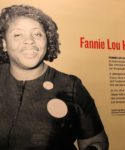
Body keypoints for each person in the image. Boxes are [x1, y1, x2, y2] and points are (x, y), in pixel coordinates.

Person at [0, 5, 109, 150]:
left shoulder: (70, 86)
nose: (30, 41)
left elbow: (96, 142)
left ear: (47, 40)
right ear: (4, 44)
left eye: (37, 34)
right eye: (18, 35)